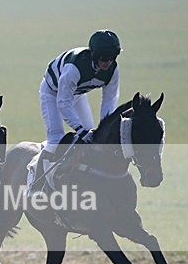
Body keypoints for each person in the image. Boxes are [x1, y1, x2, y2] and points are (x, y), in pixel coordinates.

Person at [33, 30, 122, 189]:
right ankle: (37, 184)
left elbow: (109, 100)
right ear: (94, 54)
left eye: (112, 58)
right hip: (53, 94)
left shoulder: (113, 70)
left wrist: (104, 127)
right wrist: (80, 130)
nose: (107, 63)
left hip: (77, 94)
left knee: (92, 137)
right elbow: (63, 103)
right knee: (56, 139)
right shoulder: (74, 69)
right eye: (103, 58)